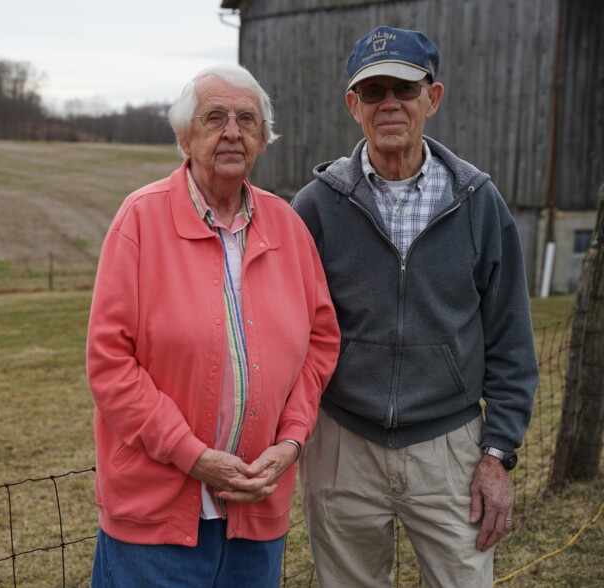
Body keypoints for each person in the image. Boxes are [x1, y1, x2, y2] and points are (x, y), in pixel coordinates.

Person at [291, 26, 539, 587]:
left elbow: (511, 337)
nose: (390, 104)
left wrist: (498, 452)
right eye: (373, 91)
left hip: (450, 448)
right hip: (343, 444)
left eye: (405, 89)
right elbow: (292, 332)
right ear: (353, 105)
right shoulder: (316, 207)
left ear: (433, 97)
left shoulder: (477, 202)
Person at [86, 63, 341, 587]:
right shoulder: (140, 220)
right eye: (214, 118)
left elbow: (320, 344)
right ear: (185, 137)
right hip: (154, 524)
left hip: (256, 511)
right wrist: (193, 456)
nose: (232, 132)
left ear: (263, 140)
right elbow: (110, 364)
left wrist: (292, 442)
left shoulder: (288, 227)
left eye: (247, 120)